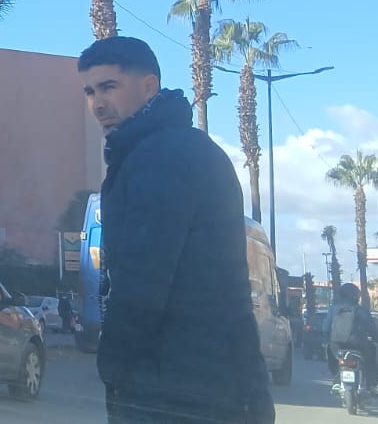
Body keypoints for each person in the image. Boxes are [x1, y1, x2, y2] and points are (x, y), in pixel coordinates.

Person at [78, 36, 273, 424]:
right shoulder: (179, 149)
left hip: (177, 386)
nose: (98, 103)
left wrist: (114, 364)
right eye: (90, 91)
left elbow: (143, 277)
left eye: (109, 87)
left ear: (149, 86)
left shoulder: (160, 158)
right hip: (215, 380)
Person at [327, 283, 378, 393]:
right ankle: (372, 385)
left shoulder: (333, 310)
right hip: (359, 345)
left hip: (338, 345)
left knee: (332, 357)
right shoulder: (362, 310)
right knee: (372, 360)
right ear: (356, 295)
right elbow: (372, 328)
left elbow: (326, 327)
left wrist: (330, 337)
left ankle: (336, 380)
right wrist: (376, 339)